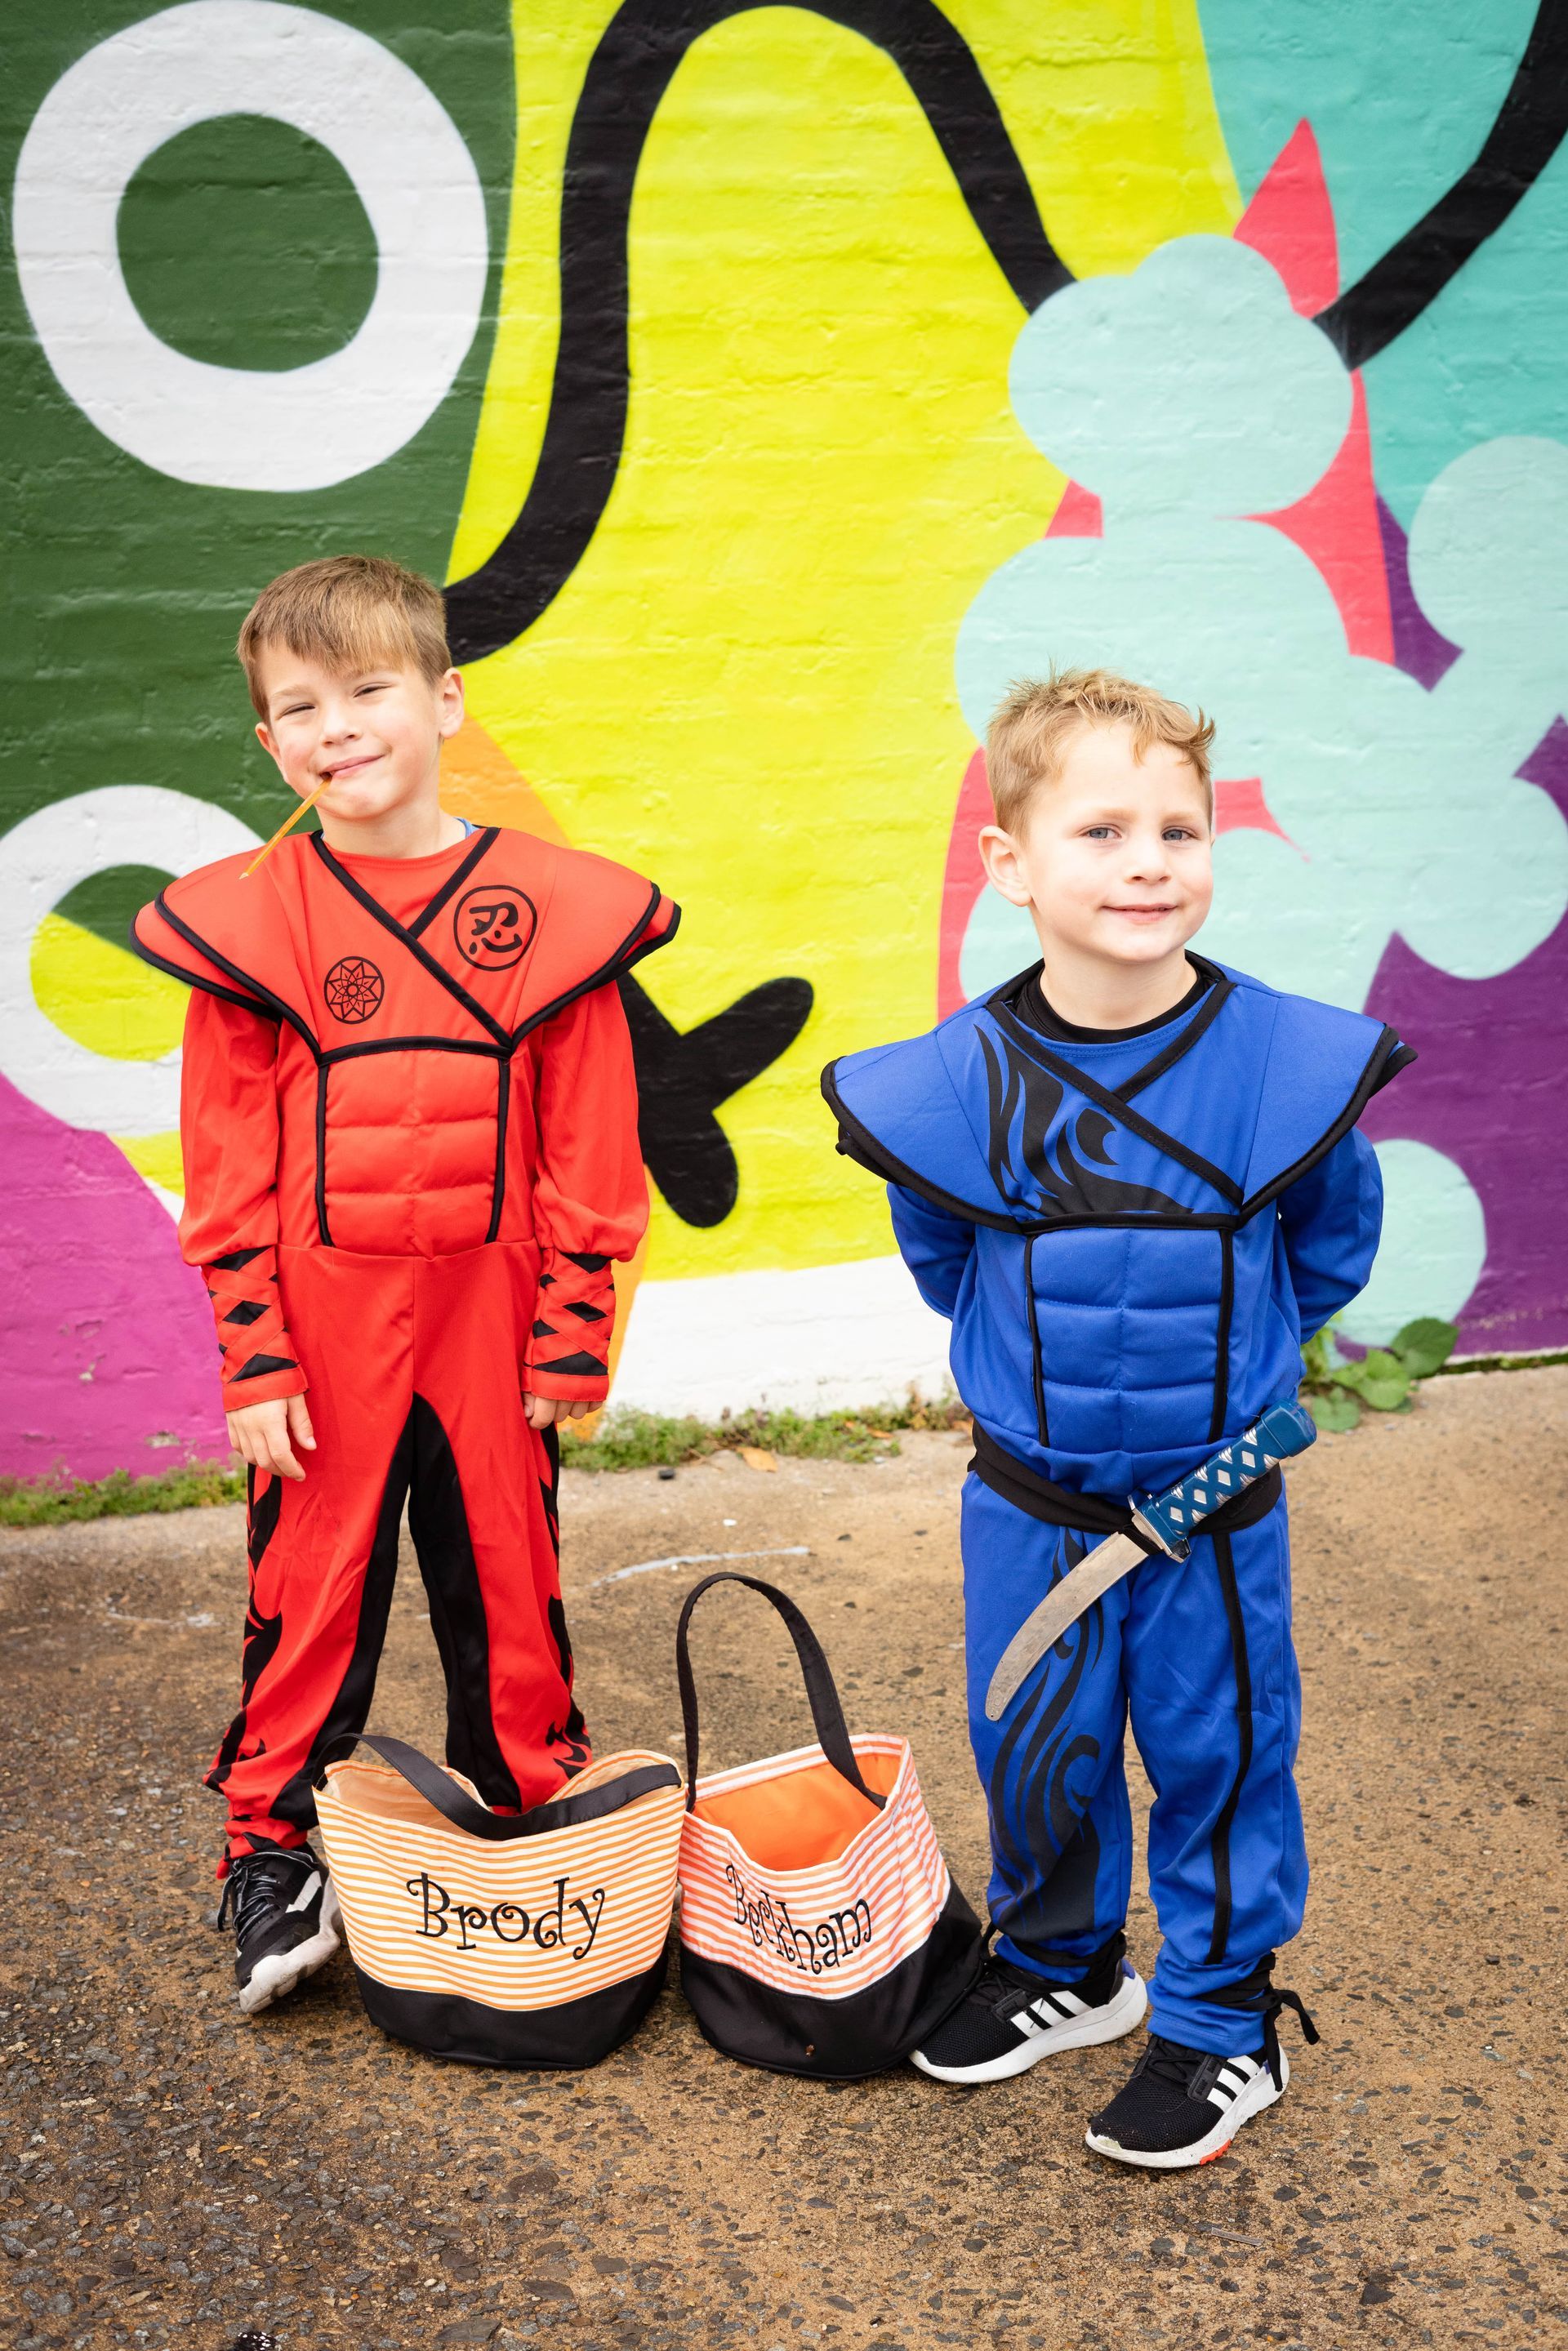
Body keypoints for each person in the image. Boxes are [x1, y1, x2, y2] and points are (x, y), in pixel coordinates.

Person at [822, 670, 1411, 2168]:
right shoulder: (952, 1088)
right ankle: (1064, 1964)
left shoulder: (1288, 1065)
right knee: (1036, 1736)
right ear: (1011, 863)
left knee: (1220, 1755)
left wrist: (1251, 1369)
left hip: (1212, 1510)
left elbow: (1331, 1242)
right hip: (1031, 1502)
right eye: (1101, 829)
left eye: (1180, 828)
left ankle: (1220, 2022)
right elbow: (947, 1259)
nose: (1149, 861)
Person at [132, 555, 677, 2015]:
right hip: (321, 1318)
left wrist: (575, 1327)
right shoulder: (249, 920)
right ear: (268, 743)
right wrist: (254, 1354)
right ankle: (273, 1850)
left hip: (494, 1315)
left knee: (510, 1571)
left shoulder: (550, 909)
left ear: (443, 699)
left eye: (368, 689)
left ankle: (530, 1816)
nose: (337, 727)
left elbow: (587, 1139)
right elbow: (227, 1161)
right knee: (308, 1590)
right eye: (297, 707)